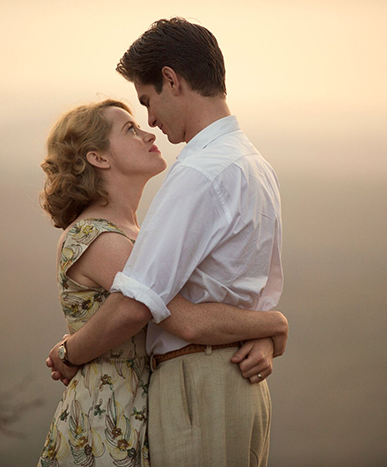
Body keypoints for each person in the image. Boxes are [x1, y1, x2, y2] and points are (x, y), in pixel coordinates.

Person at [47, 17, 285, 466]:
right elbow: (251, 292)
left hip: (201, 383)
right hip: (237, 383)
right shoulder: (256, 166)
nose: (151, 122)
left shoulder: (198, 172)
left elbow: (147, 305)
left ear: (171, 80)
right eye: (134, 122)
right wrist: (270, 327)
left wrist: (68, 353)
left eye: (147, 102)